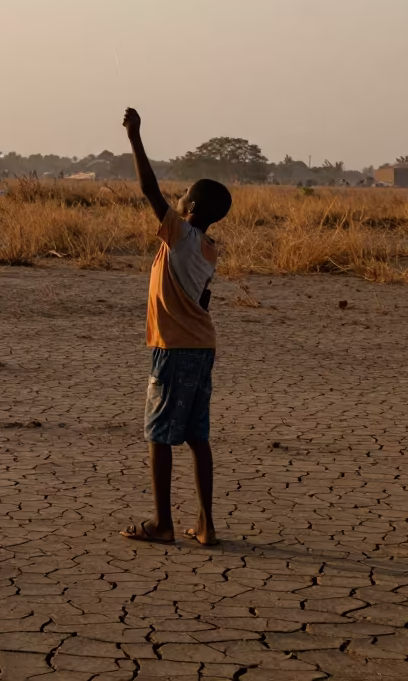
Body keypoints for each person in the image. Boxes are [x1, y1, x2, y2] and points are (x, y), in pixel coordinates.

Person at [120, 107, 232, 546]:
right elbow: (202, 299)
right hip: (202, 348)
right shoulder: (208, 248)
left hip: (175, 349)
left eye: (185, 193)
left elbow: (148, 189)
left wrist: (135, 137)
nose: (178, 195)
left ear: (192, 208)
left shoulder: (180, 233)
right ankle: (206, 523)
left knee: (159, 435)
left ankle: (162, 523)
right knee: (196, 436)